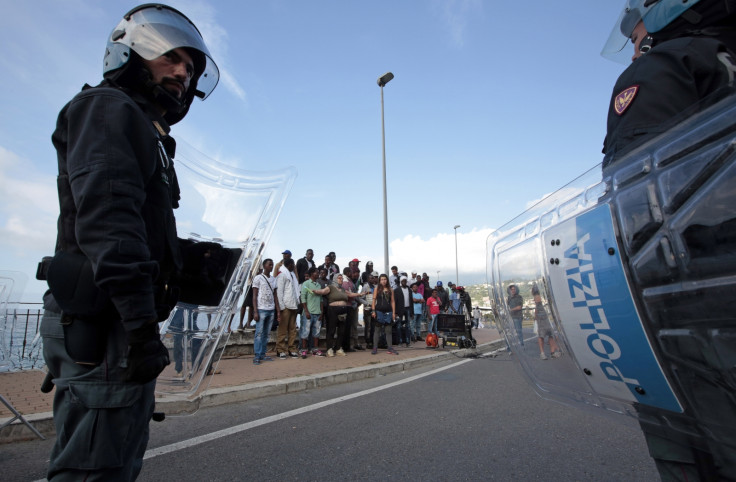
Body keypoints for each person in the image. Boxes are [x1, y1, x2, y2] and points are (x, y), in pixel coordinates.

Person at [38, 4, 219, 480]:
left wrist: (191, 264)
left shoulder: (143, 127)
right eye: (173, 57)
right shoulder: (107, 108)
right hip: (107, 322)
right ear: (133, 51)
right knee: (93, 471)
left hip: (120, 319)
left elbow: (140, 228)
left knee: (115, 463)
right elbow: (111, 227)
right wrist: (141, 330)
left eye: (192, 66)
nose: (183, 70)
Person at [600, 1, 736, 478]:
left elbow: (638, 199)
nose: (633, 45)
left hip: (695, 308)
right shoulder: (722, 56)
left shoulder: (668, 64)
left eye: (633, 33)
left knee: (694, 455)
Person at [324, 273, 364, 356]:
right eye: (339, 278)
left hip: (343, 311)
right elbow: (323, 291)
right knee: (331, 330)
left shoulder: (342, 289)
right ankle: (329, 349)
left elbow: (350, 294)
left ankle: (338, 348)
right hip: (333, 311)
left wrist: (360, 294)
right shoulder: (330, 287)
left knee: (341, 331)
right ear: (335, 279)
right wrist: (315, 291)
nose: (341, 280)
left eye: (341, 278)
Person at [251, 259, 280, 365]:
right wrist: (255, 311)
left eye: (272, 265)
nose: (271, 266)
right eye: (269, 265)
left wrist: (278, 311)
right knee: (259, 333)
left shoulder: (273, 279)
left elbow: (275, 296)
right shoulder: (258, 278)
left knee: (266, 334)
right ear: (264, 266)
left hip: (271, 309)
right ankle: (257, 355)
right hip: (261, 309)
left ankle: (263, 354)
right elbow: (254, 296)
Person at [300, 267, 330, 358]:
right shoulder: (306, 284)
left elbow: (321, 299)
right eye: (316, 273)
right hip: (308, 312)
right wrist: (306, 311)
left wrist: (321, 312)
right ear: (312, 274)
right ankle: (303, 350)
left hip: (317, 312)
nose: (318, 274)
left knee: (316, 332)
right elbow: (303, 298)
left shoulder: (318, 285)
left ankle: (315, 349)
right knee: (305, 332)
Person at [275, 258, 301, 359]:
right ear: (290, 265)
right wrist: (281, 307)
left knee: (292, 329)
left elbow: (295, 290)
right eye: (293, 265)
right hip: (285, 305)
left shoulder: (293, 275)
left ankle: (291, 348)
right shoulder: (282, 274)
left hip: (293, 304)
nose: (294, 267)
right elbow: (279, 292)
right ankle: (280, 349)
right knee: (283, 329)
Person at [371, 274, 398, 355]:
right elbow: (373, 300)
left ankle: (390, 347)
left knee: (388, 330)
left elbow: (393, 301)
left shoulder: (390, 289)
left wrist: (393, 312)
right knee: (377, 330)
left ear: (387, 280)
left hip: (388, 312)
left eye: (385, 279)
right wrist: (373, 311)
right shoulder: (377, 289)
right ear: (380, 280)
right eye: (382, 279)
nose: (383, 281)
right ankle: (375, 347)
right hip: (379, 311)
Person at [531, 285, 560, 360]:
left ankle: (552, 352)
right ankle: (543, 353)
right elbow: (538, 306)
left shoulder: (539, 297)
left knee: (550, 334)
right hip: (541, 318)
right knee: (542, 335)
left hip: (544, 317)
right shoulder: (537, 297)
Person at [393, 276, 413, 347]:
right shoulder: (397, 290)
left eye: (405, 281)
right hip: (399, 310)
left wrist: (412, 313)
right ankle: (400, 342)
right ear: (401, 282)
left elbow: (411, 302)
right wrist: (395, 312)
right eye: (403, 281)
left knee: (408, 326)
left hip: (408, 309)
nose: (404, 282)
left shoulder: (409, 290)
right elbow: (394, 302)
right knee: (399, 326)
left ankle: (408, 342)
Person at [360, 271, 377, 348]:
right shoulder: (365, 287)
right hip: (367, 309)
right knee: (368, 326)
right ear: (367, 279)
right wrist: (366, 303)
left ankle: (372, 340)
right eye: (370, 278)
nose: (372, 280)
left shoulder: (375, 287)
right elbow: (360, 298)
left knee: (373, 326)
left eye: (373, 278)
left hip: (374, 309)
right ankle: (368, 342)